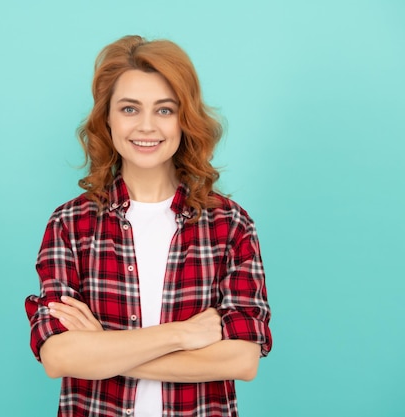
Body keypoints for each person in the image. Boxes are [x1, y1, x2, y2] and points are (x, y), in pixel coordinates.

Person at [25, 35, 272, 417]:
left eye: (164, 110)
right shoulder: (70, 225)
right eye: (129, 109)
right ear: (106, 118)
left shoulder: (231, 225)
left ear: (185, 119)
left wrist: (102, 348)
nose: (146, 126)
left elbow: (242, 359)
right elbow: (58, 356)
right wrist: (182, 335)